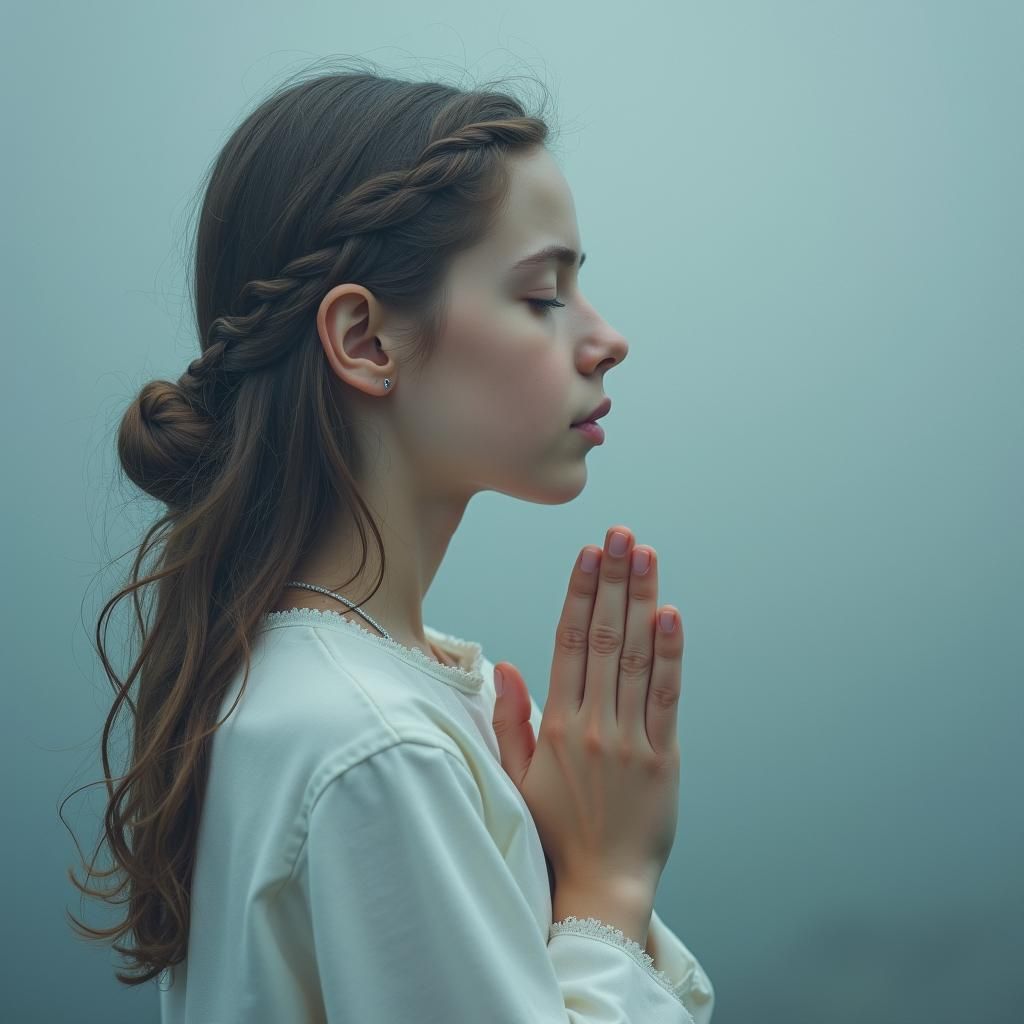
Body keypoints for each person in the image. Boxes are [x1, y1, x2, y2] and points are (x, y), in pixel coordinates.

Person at [67, 61, 715, 1022]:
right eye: (545, 295)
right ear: (366, 340)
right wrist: (607, 886)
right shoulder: (375, 744)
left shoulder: (316, 697)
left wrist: (543, 863)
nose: (606, 339)